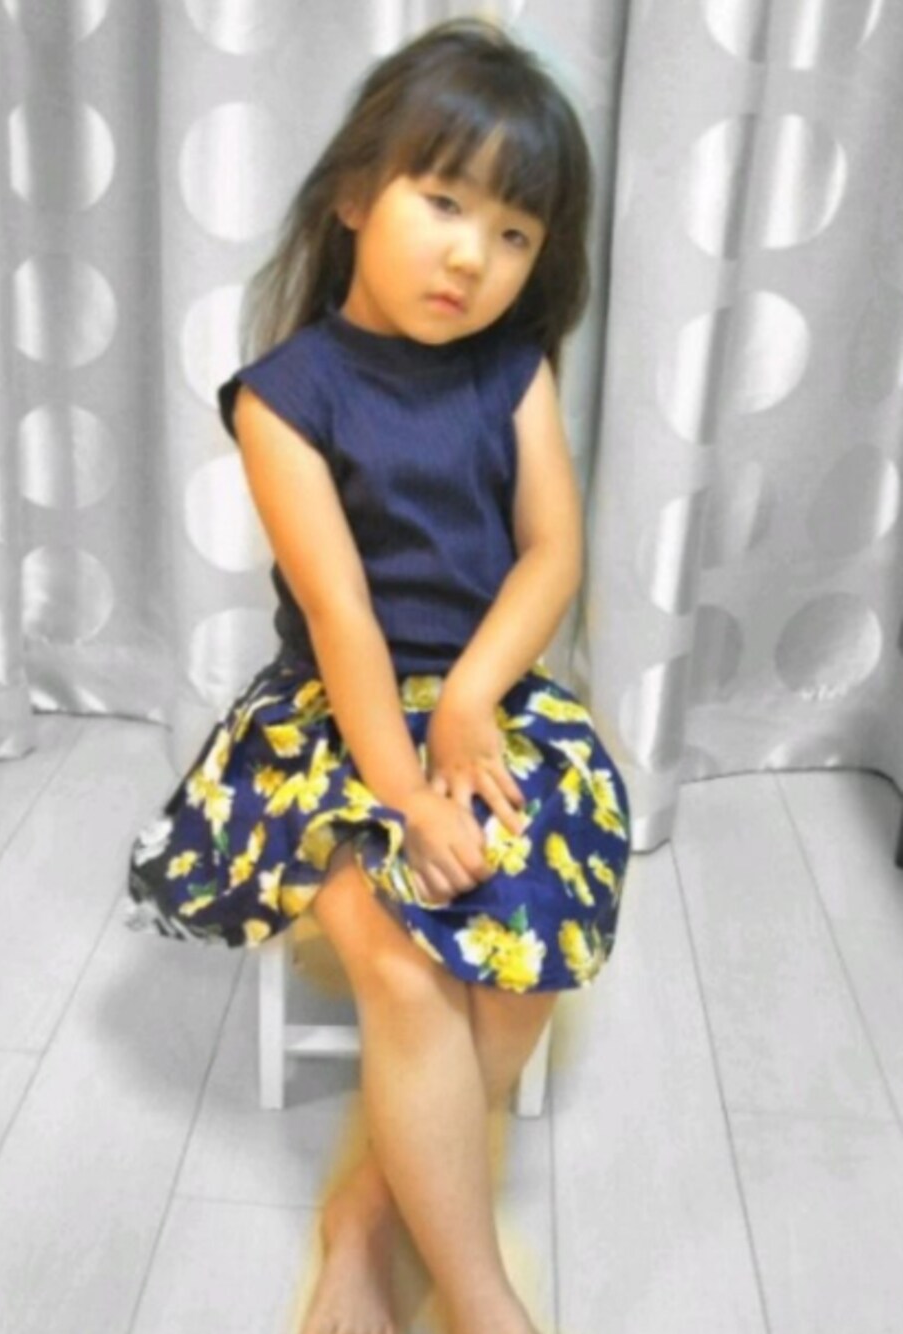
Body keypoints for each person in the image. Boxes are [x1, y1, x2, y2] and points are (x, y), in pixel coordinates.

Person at [125, 16, 631, 1334]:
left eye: (514, 232)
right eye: (444, 202)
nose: (473, 254)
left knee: (519, 946)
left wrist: (468, 703)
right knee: (404, 960)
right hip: (334, 720)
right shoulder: (284, 397)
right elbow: (342, 616)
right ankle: (480, 1294)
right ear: (354, 195)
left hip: (488, 695)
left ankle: (363, 1212)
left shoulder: (511, 371)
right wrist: (406, 795)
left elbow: (554, 553)